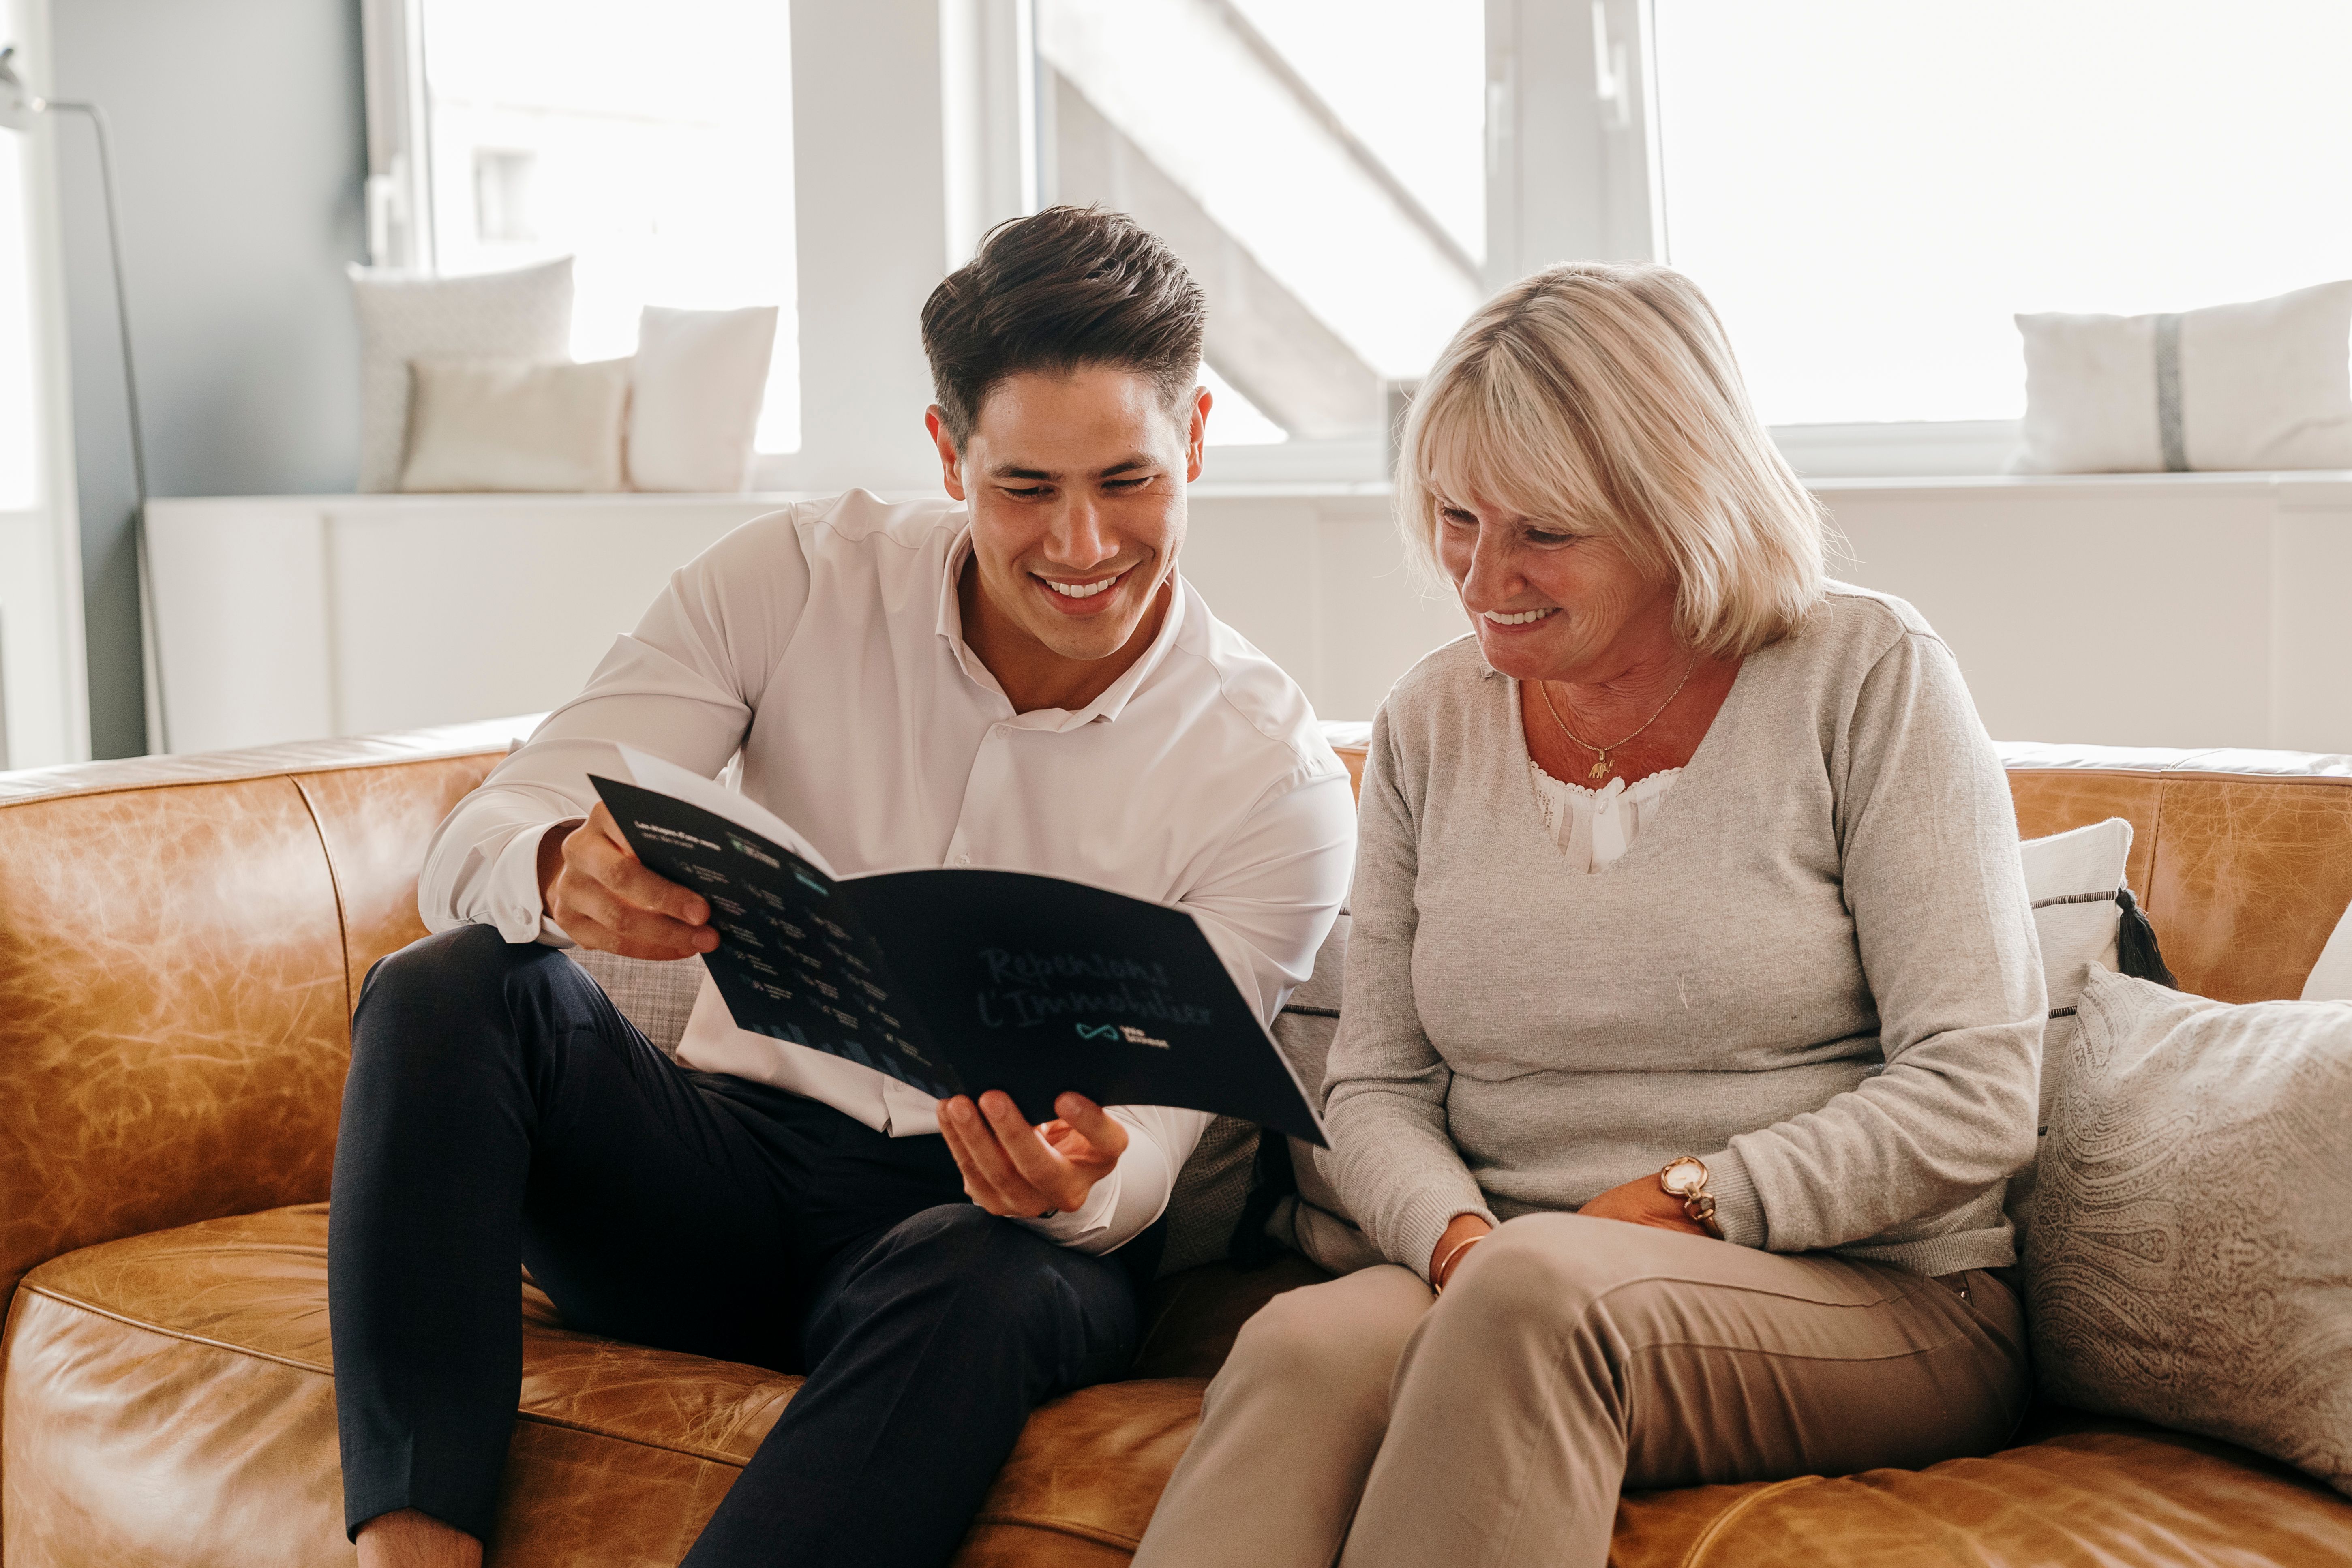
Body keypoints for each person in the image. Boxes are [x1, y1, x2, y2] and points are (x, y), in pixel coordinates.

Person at [327, 206, 1357, 1568]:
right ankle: (408, 1550)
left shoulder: (1270, 777)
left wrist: (1083, 1180)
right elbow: (485, 825)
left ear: (1199, 439)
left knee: (983, 1272)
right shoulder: (793, 578)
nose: (1082, 543)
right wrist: (553, 864)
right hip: (721, 1173)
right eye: (1024, 489)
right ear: (946, 453)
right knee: (449, 983)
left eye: (1127, 480)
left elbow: (1154, 1147)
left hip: (994, 1241)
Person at [1132, 262, 2042, 1568]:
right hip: (1504, 1268)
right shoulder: (1431, 721)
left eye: (1542, 533)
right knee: (1302, 1342)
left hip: (1875, 1292)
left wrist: (1687, 1200)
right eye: (1453, 515)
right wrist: (1453, 1239)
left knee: (1539, 1297)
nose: (1480, 573)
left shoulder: (1869, 676)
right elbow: (1377, 1084)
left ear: (1681, 505)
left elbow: (1976, 1087)